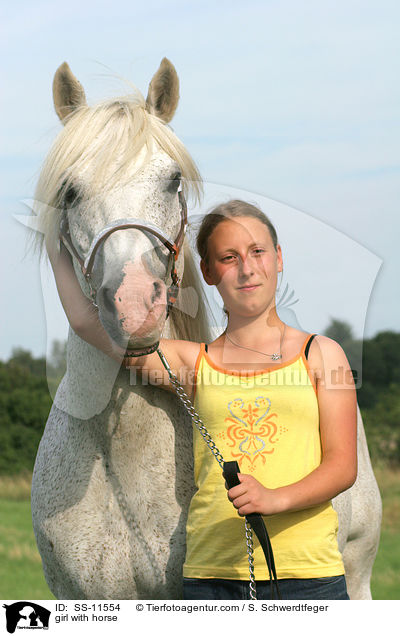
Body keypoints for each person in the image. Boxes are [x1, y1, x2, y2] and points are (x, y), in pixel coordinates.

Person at [48, 199, 357, 601]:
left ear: (278, 259)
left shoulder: (322, 354)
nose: (247, 268)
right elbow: (86, 324)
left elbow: (341, 467)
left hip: (308, 575)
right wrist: (57, 244)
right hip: (211, 578)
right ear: (208, 273)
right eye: (229, 258)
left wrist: (273, 498)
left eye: (258, 252)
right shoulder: (193, 363)